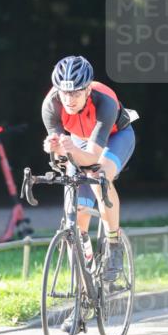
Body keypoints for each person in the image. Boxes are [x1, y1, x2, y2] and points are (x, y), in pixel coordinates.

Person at [41, 55, 136, 283]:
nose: (69, 100)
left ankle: (113, 244)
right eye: (64, 93)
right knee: (76, 211)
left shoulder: (105, 101)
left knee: (98, 176)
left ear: (88, 89)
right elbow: (63, 161)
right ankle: (83, 287)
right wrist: (55, 150)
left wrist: (70, 150)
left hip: (116, 137)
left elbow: (93, 157)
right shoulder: (51, 105)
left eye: (75, 93)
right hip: (79, 141)